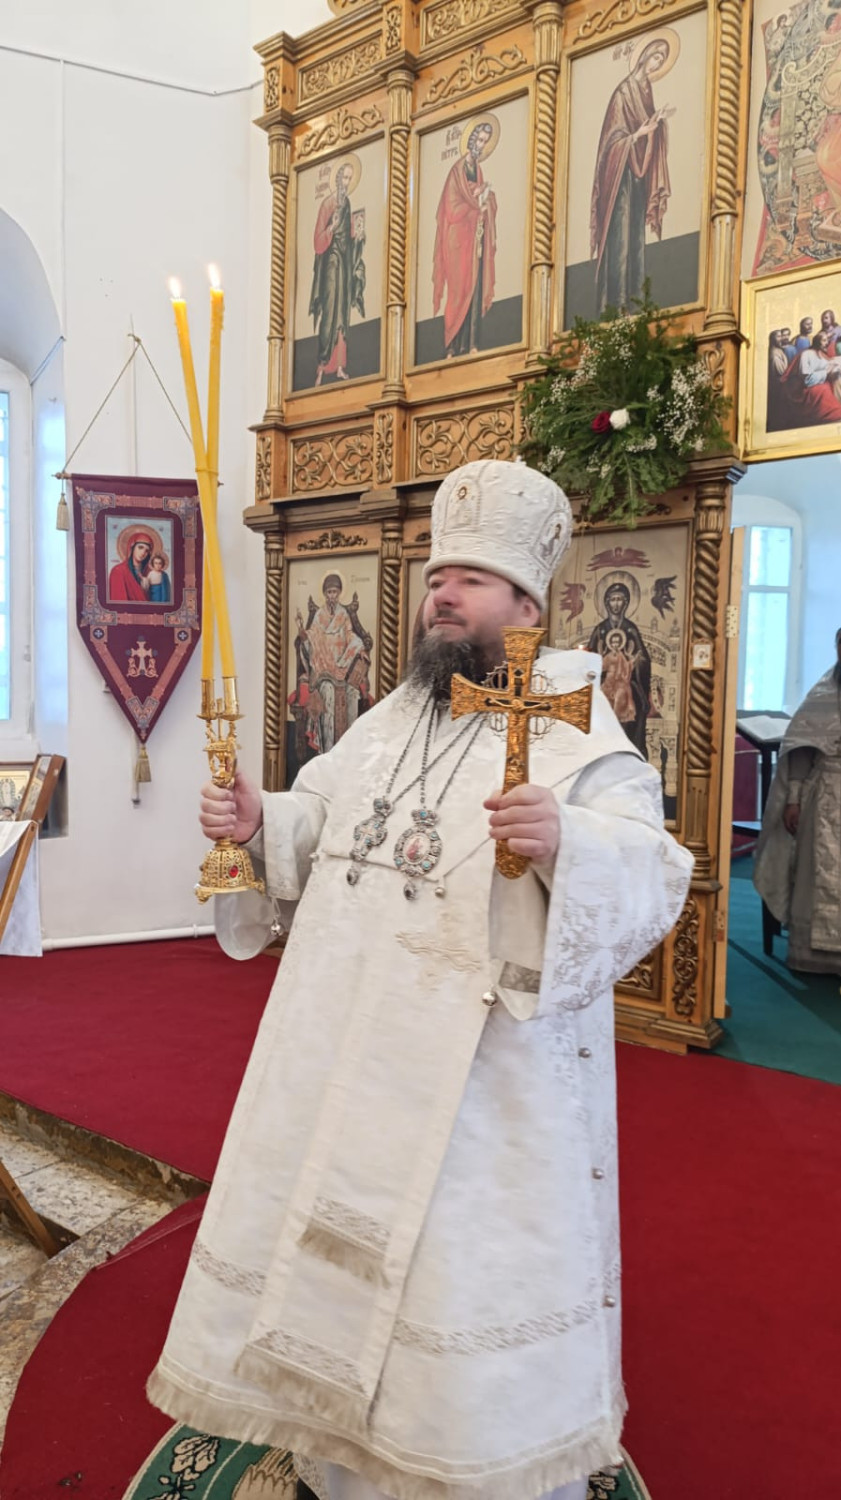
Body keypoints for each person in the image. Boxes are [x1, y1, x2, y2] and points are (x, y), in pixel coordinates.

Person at [148, 458, 693, 1500]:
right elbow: (326, 814)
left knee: (448, 1268)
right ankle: (336, 1452)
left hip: (477, 1080)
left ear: (526, 604)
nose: (442, 594)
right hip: (344, 1039)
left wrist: (565, 841)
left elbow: (653, 870)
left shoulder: (577, 724)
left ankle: (469, 1464)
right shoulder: (394, 713)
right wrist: (264, 819)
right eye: (437, 576)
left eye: (470, 580)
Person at [754, 628, 841, 975]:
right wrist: (793, 800)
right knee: (815, 873)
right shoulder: (822, 695)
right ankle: (814, 957)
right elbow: (800, 753)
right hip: (824, 796)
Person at [589, 39, 675, 316]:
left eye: (661, 61)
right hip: (619, 179)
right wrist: (637, 135)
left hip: (638, 177)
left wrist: (658, 124)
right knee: (621, 236)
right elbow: (612, 141)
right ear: (644, 56)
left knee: (635, 236)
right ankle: (617, 301)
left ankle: (636, 300)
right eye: (655, 58)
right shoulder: (623, 92)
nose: (656, 64)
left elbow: (646, 127)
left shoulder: (646, 91)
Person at [288, 573, 373, 760]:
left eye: (334, 592)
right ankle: (328, 753)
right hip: (323, 670)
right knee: (328, 692)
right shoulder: (319, 615)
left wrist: (359, 648)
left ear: (340, 592)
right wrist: (304, 635)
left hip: (342, 666)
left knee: (352, 693)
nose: (332, 596)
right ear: (325, 594)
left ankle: (349, 751)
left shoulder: (344, 614)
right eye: (329, 592)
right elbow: (312, 637)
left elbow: (350, 635)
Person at [432, 121, 498, 358]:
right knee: (458, 290)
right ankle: (451, 344)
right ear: (471, 140)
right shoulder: (457, 171)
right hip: (457, 241)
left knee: (475, 287)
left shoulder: (477, 169)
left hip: (473, 238)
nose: (481, 145)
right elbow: (451, 209)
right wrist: (475, 197)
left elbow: (477, 200)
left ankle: (470, 344)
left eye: (485, 142)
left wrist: (486, 200)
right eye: (479, 140)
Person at [309, 160, 366, 386]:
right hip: (331, 264)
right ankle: (323, 365)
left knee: (342, 313)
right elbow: (318, 242)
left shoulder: (347, 202)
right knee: (331, 312)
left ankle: (340, 366)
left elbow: (348, 235)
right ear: (338, 178)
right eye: (344, 177)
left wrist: (357, 233)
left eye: (350, 178)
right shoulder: (327, 204)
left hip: (344, 264)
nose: (347, 182)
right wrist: (331, 227)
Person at [587, 579, 652, 756]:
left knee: (633, 701)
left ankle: (629, 753)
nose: (616, 604)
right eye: (613, 599)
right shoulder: (600, 630)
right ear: (607, 603)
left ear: (626, 603)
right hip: (604, 683)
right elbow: (590, 658)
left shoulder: (630, 630)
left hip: (626, 682)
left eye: (620, 599)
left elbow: (643, 660)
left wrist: (634, 662)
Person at [779, 328, 841, 425]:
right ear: (817, 342)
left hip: (819, 381)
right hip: (801, 389)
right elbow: (807, 380)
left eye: (827, 341)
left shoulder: (821, 353)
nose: (827, 343)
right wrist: (826, 372)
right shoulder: (806, 354)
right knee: (824, 390)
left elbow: (827, 364)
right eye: (824, 341)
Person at [108, 530, 153, 602]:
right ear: (132, 548)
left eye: (147, 551)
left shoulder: (149, 572)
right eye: (140, 547)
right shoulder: (118, 571)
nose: (143, 552)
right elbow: (119, 601)